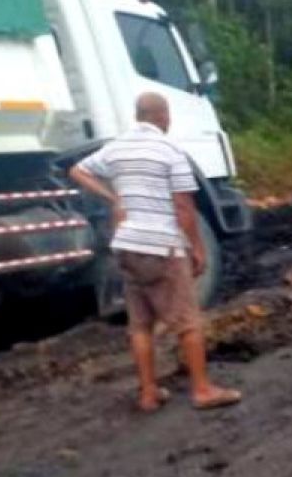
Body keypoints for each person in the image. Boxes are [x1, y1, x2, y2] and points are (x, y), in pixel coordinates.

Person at [70, 92, 242, 412]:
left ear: (139, 116)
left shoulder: (116, 148)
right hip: (161, 246)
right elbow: (184, 207)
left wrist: (113, 198)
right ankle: (202, 390)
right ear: (162, 116)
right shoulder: (170, 151)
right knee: (188, 322)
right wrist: (198, 249)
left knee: (140, 325)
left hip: (127, 246)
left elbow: (78, 171)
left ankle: (148, 394)